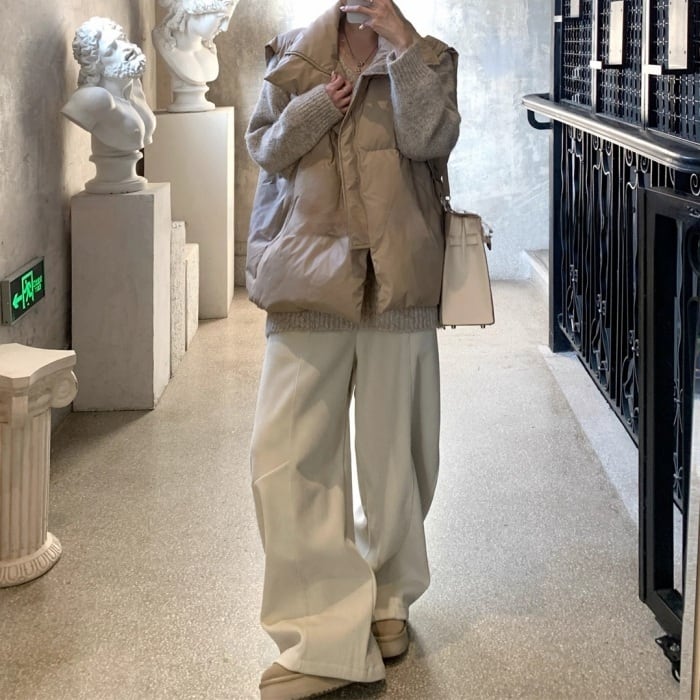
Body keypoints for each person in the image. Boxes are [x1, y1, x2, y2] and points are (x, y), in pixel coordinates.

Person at [245, 1, 460, 698]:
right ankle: (322, 635)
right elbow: (266, 151)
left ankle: (388, 599)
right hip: (306, 277)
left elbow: (433, 140)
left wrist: (403, 44)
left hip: (399, 279)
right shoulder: (292, 53)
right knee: (285, 455)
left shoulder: (425, 54)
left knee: (398, 455)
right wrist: (314, 107)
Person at [61, 17, 156, 193]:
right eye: (111, 50)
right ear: (97, 65)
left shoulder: (133, 87)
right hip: (111, 181)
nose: (126, 48)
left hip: (131, 179)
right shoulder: (95, 99)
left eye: (121, 40)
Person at [153, 0, 237, 111]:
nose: (224, 28)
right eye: (221, 18)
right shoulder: (163, 42)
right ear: (195, 11)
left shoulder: (209, 52)